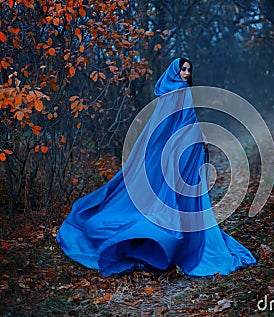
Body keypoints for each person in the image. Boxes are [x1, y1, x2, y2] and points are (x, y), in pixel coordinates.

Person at [56, 57, 256, 277]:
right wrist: (199, 138)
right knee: (181, 198)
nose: (187, 74)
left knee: (171, 197)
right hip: (180, 153)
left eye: (189, 70)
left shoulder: (166, 95)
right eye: (183, 70)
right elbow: (186, 122)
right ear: (174, 72)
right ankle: (173, 245)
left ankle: (164, 245)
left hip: (176, 153)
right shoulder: (180, 92)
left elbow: (167, 127)